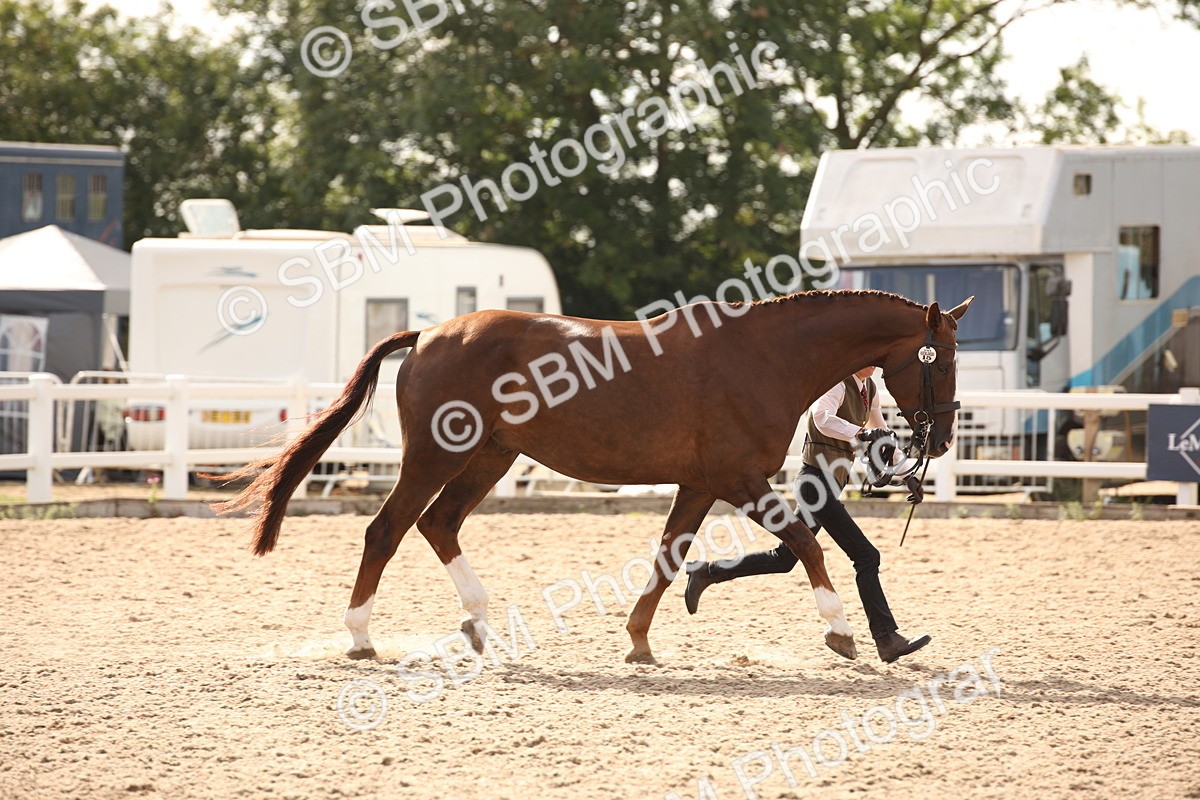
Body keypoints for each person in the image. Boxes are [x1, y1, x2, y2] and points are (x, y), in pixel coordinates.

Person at [684, 366, 931, 663]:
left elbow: (883, 439)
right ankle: (886, 638)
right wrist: (862, 432)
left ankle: (707, 572)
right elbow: (821, 418)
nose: (875, 365)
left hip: (828, 486)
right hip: (815, 484)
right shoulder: (836, 382)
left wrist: (908, 475)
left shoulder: (870, 391)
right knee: (867, 556)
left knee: (785, 558)